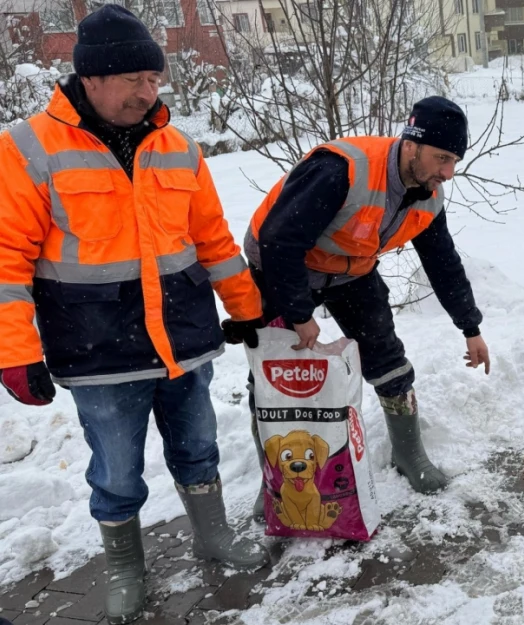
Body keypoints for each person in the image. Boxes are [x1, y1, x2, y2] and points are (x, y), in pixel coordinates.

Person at [0, 6, 269, 623]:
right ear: (90, 78)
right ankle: (126, 566)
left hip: (183, 338)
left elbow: (214, 240)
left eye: (155, 79)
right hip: (98, 347)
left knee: (198, 446)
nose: (149, 93)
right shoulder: (27, 149)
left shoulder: (178, 146)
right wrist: (15, 351)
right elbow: (6, 260)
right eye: (134, 81)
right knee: (117, 468)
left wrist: (248, 310)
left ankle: (212, 535)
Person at [225, 96, 491, 509]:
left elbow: (443, 263)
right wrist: (298, 314)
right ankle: (274, 477)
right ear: (411, 144)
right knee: (277, 372)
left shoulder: (427, 193)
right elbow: (280, 241)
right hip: (281, 263)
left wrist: (470, 326)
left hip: (351, 270)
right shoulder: (341, 170)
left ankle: (409, 454)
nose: (448, 172)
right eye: (442, 158)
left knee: (385, 354)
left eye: (454, 160)